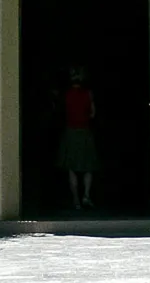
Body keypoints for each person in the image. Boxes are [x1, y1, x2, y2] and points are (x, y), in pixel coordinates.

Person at [56, 67, 99, 210]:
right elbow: (92, 114)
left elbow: (61, 111)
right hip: (85, 131)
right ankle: (86, 195)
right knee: (88, 168)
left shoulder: (66, 95)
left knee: (72, 169)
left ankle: (76, 201)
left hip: (71, 132)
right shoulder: (88, 94)